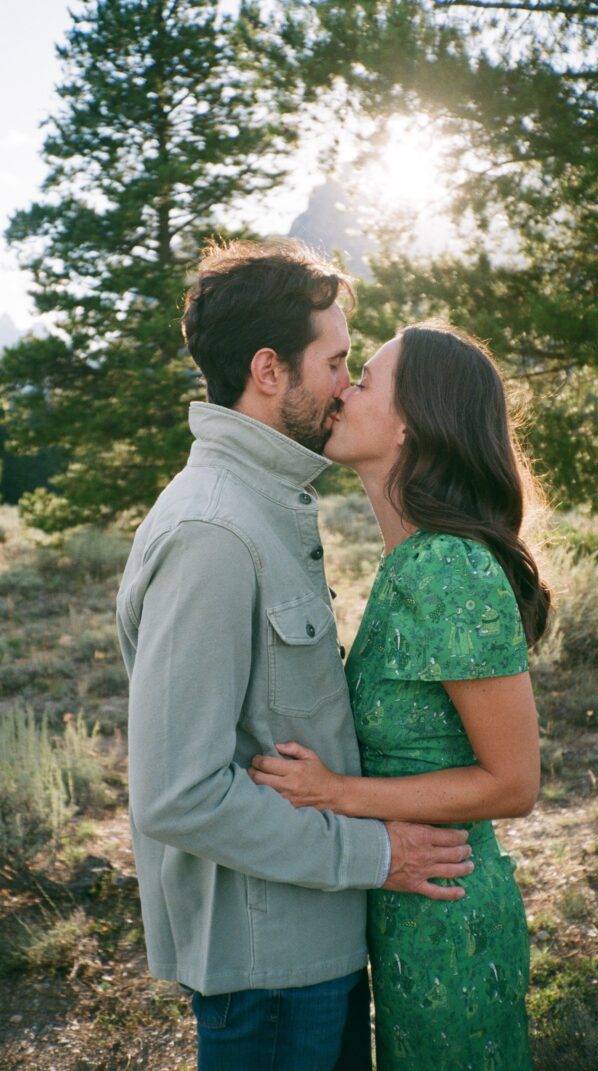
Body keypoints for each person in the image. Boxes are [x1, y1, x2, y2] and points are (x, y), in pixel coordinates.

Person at [116, 243, 474, 1071]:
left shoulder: (267, 503)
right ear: (269, 370)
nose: (348, 385)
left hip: (312, 946)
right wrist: (376, 853)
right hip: (269, 971)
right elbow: (175, 794)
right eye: (337, 361)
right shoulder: (213, 533)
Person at [249, 322, 551, 1069]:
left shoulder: (447, 566)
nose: (344, 388)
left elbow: (514, 782)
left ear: (412, 420)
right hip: (402, 901)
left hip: (449, 919)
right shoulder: (407, 562)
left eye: (367, 378)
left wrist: (335, 792)